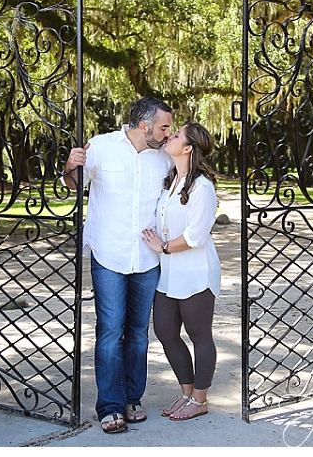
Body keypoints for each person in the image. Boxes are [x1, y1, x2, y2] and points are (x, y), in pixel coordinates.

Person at [62, 97, 174, 434]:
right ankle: (109, 405)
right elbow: (74, 183)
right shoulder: (101, 146)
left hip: (146, 257)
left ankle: (131, 398)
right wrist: (70, 165)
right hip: (108, 253)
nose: (168, 132)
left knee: (139, 333)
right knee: (110, 330)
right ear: (144, 126)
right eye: (164, 126)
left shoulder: (163, 157)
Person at [140, 122, 220, 421]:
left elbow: (196, 235)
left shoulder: (202, 187)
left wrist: (162, 247)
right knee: (165, 331)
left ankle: (200, 399)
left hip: (196, 271)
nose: (168, 136)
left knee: (199, 334)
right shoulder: (171, 180)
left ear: (187, 147)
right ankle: (187, 393)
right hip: (169, 272)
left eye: (175, 135)